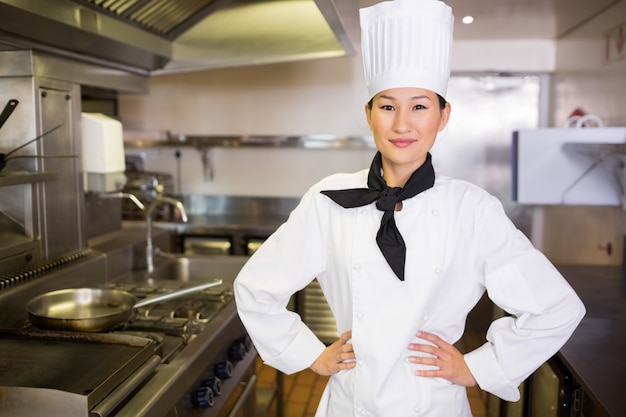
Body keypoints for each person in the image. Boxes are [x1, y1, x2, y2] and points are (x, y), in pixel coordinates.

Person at [234, 0, 586, 415]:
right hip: (351, 402)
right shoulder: (327, 199)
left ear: (443, 115)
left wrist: (481, 366)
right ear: (368, 115)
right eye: (387, 106)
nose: (402, 124)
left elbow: (556, 307)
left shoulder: (470, 208)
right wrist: (308, 353)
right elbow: (256, 287)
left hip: (433, 403)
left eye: (419, 106)